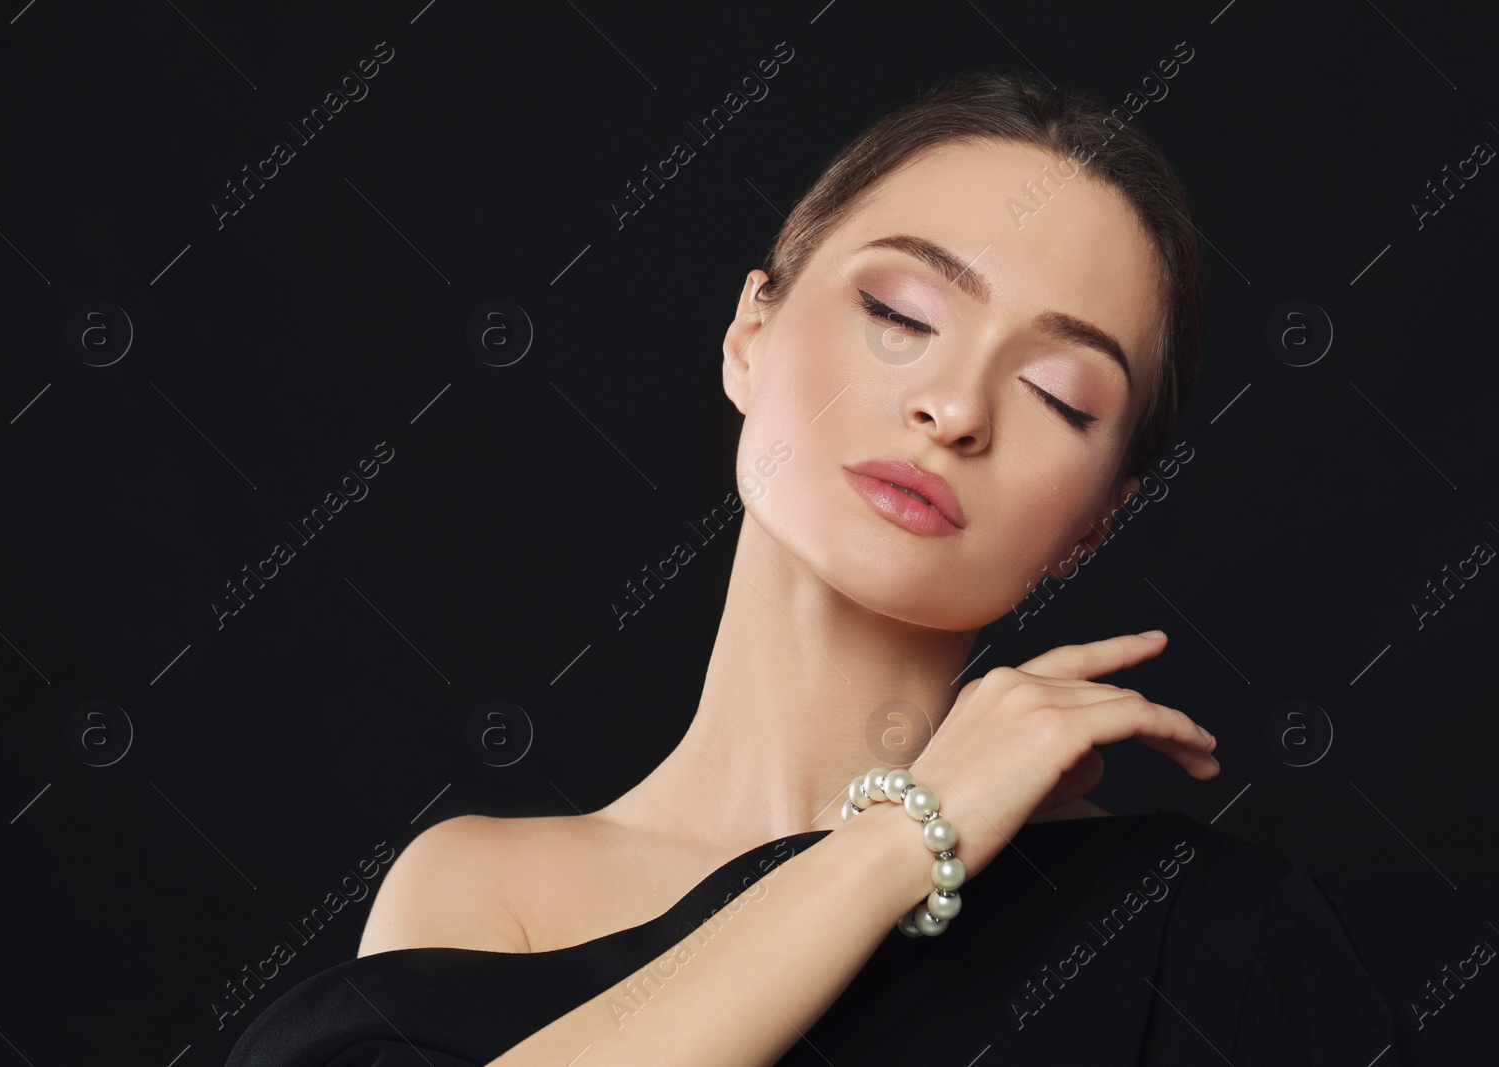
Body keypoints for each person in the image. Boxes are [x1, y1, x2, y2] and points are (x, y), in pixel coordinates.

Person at [224, 69, 1436, 1066]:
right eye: (902, 314)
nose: (955, 407)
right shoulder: (486, 891)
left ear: (1096, 523)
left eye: (1058, 395)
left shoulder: (1202, 940)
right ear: (750, 332)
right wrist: (906, 836)